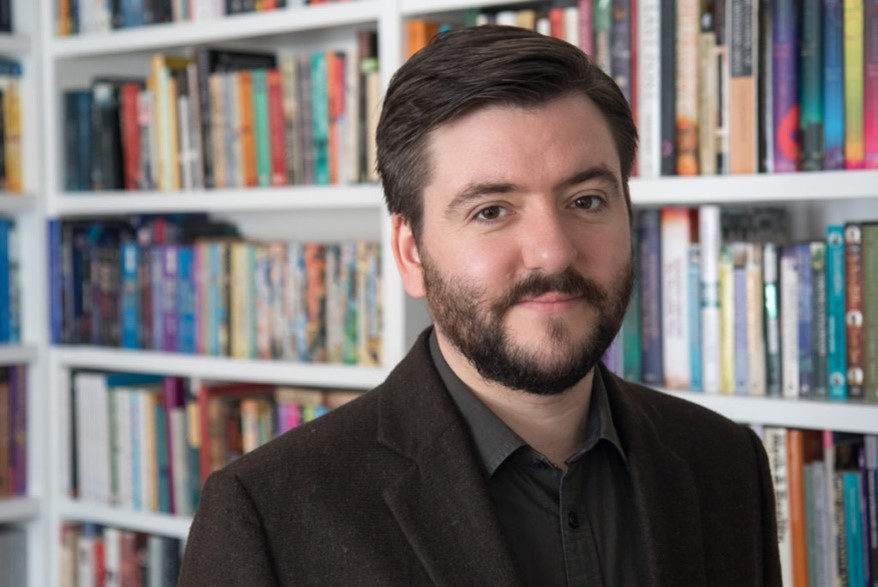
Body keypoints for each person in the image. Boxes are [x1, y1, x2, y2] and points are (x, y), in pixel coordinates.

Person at [179, 25, 781, 586]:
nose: (553, 252)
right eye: (491, 210)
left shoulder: (725, 461)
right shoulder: (266, 514)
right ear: (411, 253)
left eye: (587, 200)